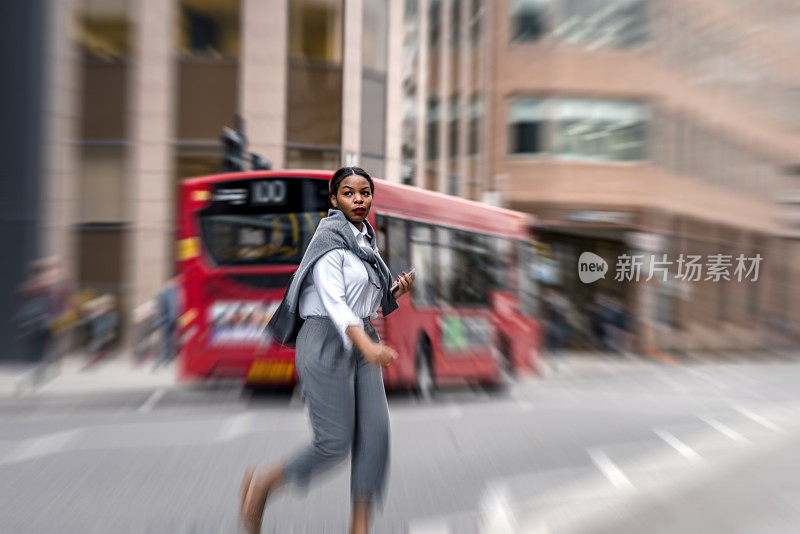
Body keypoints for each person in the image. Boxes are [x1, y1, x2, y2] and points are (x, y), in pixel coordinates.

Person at [239, 167, 416, 534]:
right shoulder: (328, 243)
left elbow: (362, 300)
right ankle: (264, 485)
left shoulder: (366, 242)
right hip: (324, 338)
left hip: (361, 336)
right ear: (334, 200)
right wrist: (368, 345)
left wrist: (393, 292)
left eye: (365, 192)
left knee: (376, 434)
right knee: (333, 443)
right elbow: (335, 304)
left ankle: (360, 527)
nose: (359, 200)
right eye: (349, 193)